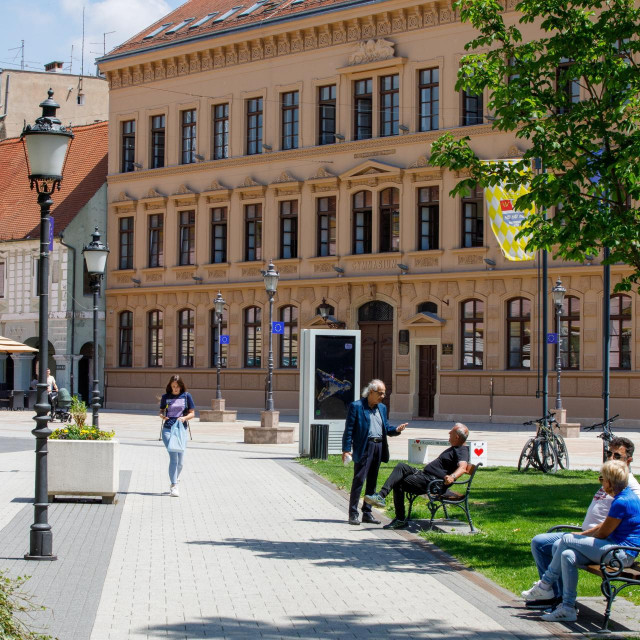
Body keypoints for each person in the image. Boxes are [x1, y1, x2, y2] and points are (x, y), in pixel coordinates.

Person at [526, 437, 640, 610]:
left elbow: (614, 527)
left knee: (562, 544)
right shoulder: (611, 480)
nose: (610, 458)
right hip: (591, 539)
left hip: (606, 543)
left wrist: (578, 536)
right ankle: (559, 600)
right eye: (609, 453)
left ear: (628, 460)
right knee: (540, 542)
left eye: (617, 456)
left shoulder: (627, 488)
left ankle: (548, 588)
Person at [364, 423, 470, 529]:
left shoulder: (461, 450)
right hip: (425, 477)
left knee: (398, 480)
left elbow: (463, 467)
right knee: (401, 468)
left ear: (457, 437)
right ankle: (384, 500)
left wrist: (452, 477)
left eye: (451, 432)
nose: (449, 432)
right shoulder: (456, 447)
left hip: (432, 483)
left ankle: (393, 510)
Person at [342, 379, 407, 526]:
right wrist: (346, 450)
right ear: (371, 392)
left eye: (384, 393)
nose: (383, 396)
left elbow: (386, 428)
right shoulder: (357, 407)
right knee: (359, 480)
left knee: (372, 481)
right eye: (380, 393)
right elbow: (349, 431)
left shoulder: (382, 408)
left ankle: (367, 512)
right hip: (365, 447)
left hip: (379, 446)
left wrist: (396, 430)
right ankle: (353, 514)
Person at [159, 375, 195, 497]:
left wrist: (184, 418)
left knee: (180, 462)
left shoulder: (186, 396)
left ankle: (175, 478)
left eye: (177, 386)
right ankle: (174, 486)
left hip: (181, 430)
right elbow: (161, 411)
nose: (175, 389)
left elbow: (192, 413)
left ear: (181, 386)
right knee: (174, 458)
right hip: (168, 430)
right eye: (173, 386)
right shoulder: (166, 397)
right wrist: (162, 416)